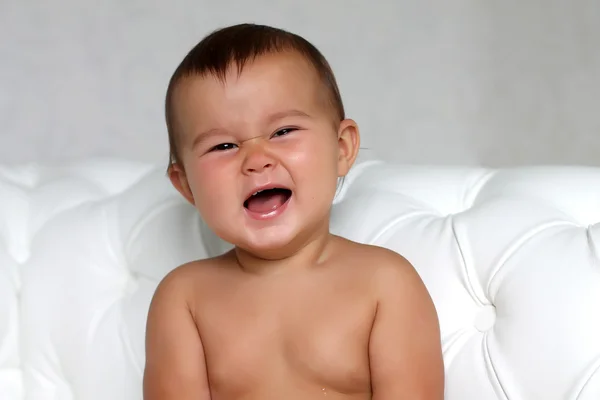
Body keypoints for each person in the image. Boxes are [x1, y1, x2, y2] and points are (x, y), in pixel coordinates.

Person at [143, 23, 444, 400]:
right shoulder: (184, 299)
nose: (256, 160)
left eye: (283, 132)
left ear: (341, 148)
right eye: (223, 146)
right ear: (186, 184)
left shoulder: (384, 284)